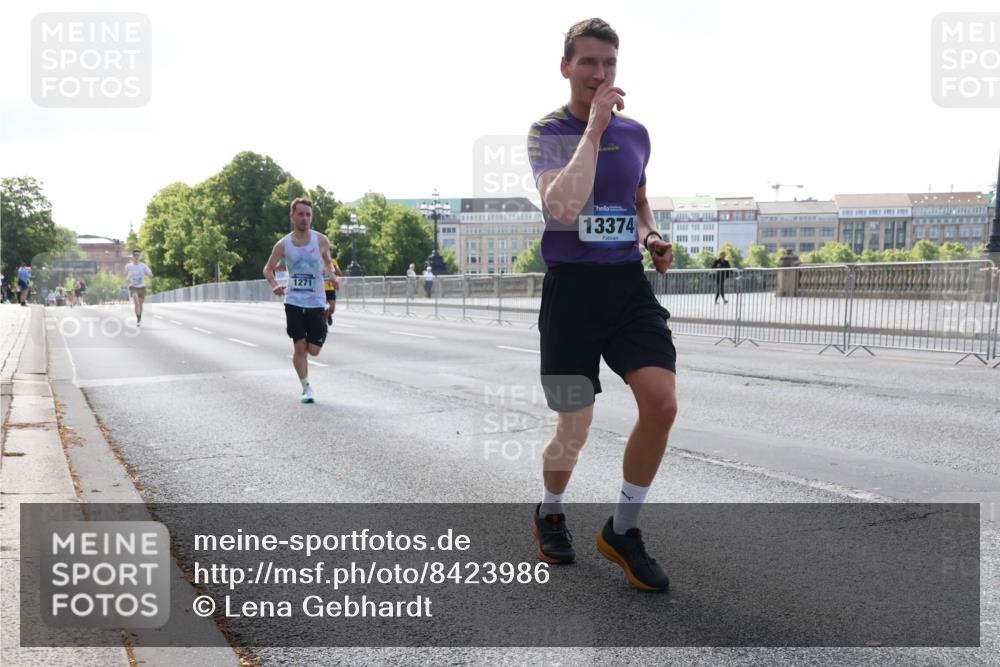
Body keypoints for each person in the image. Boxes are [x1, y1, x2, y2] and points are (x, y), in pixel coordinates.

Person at [526, 18, 675, 592]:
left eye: (609, 64)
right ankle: (551, 510)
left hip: (626, 289)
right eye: (588, 63)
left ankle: (624, 530)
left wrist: (651, 236)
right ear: (566, 67)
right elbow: (563, 208)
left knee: (661, 405)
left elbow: (638, 199)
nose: (600, 74)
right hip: (570, 297)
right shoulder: (547, 131)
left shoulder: (637, 132)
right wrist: (592, 129)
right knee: (575, 423)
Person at [263, 197, 335, 404]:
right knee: (299, 347)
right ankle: (306, 388)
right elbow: (268, 268)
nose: (305, 218)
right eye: (301, 214)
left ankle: (326, 317)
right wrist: (275, 284)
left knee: (314, 350)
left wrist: (332, 276)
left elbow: (328, 263)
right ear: (292, 216)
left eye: (308, 214)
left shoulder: (321, 240)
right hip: (293, 300)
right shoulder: (283, 244)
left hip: (316, 301)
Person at [126, 249, 154, 325]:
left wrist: (150, 274)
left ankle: (139, 317)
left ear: (139, 256)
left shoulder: (143, 265)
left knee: (140, 304)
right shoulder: (129, 266)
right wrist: (128, 279)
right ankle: (138, 319)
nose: (136, 256)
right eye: (135, 255)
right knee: (136, 302)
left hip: (141, 286)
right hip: (133, 286)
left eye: (138, 255)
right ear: (132, 256)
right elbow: (128, 275)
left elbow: (150, 274)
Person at [323, 257, 343, 325]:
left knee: (332, 309)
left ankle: (328, 315)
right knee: (324, 308)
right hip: (321, 289)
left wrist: (334, 267)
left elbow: (339, 273)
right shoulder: (317, 261)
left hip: (330, 288)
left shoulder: (333, 261)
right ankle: (324, 324)